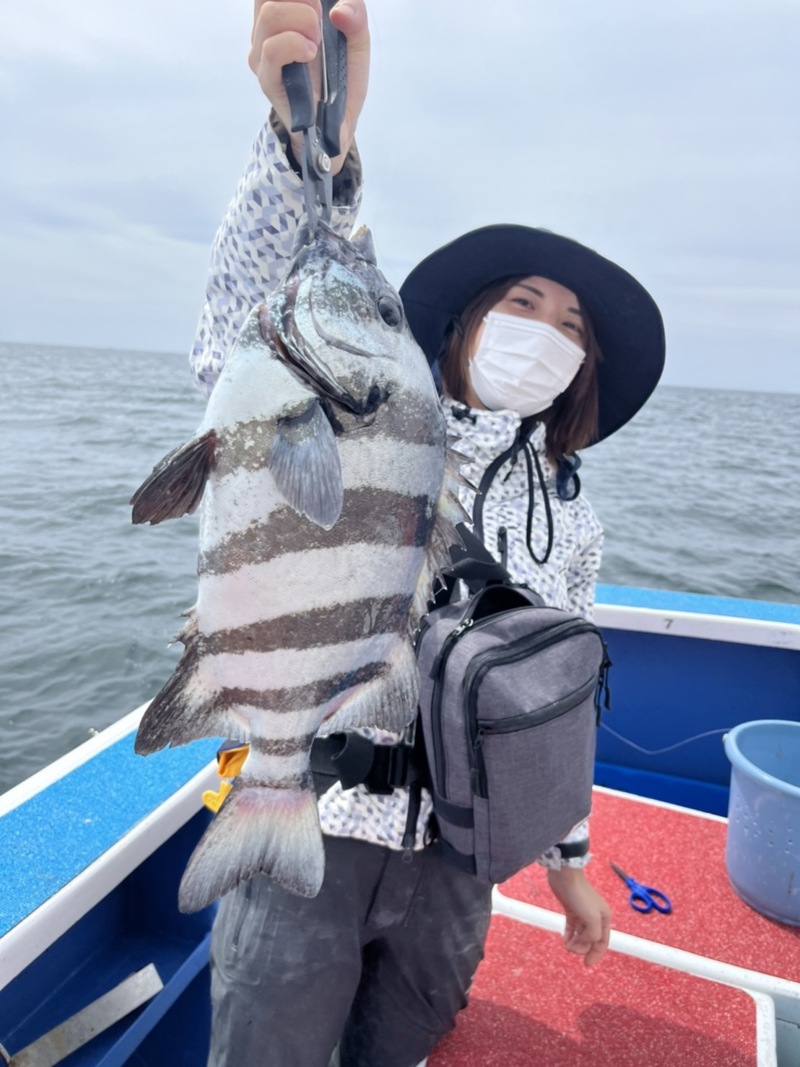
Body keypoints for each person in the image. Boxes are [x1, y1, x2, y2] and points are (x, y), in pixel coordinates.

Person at [189, 2, 666, 1065]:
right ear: (462, 323)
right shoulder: (373, 406)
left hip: (458, 861)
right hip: (315, 821)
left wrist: (569, 864)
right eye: (524, 305)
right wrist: (305, 154)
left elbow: (556, 701)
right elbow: (242, 333)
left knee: (402, 1044)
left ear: (582, 371)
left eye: (572, 328)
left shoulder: (571, 515)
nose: (545, 334)